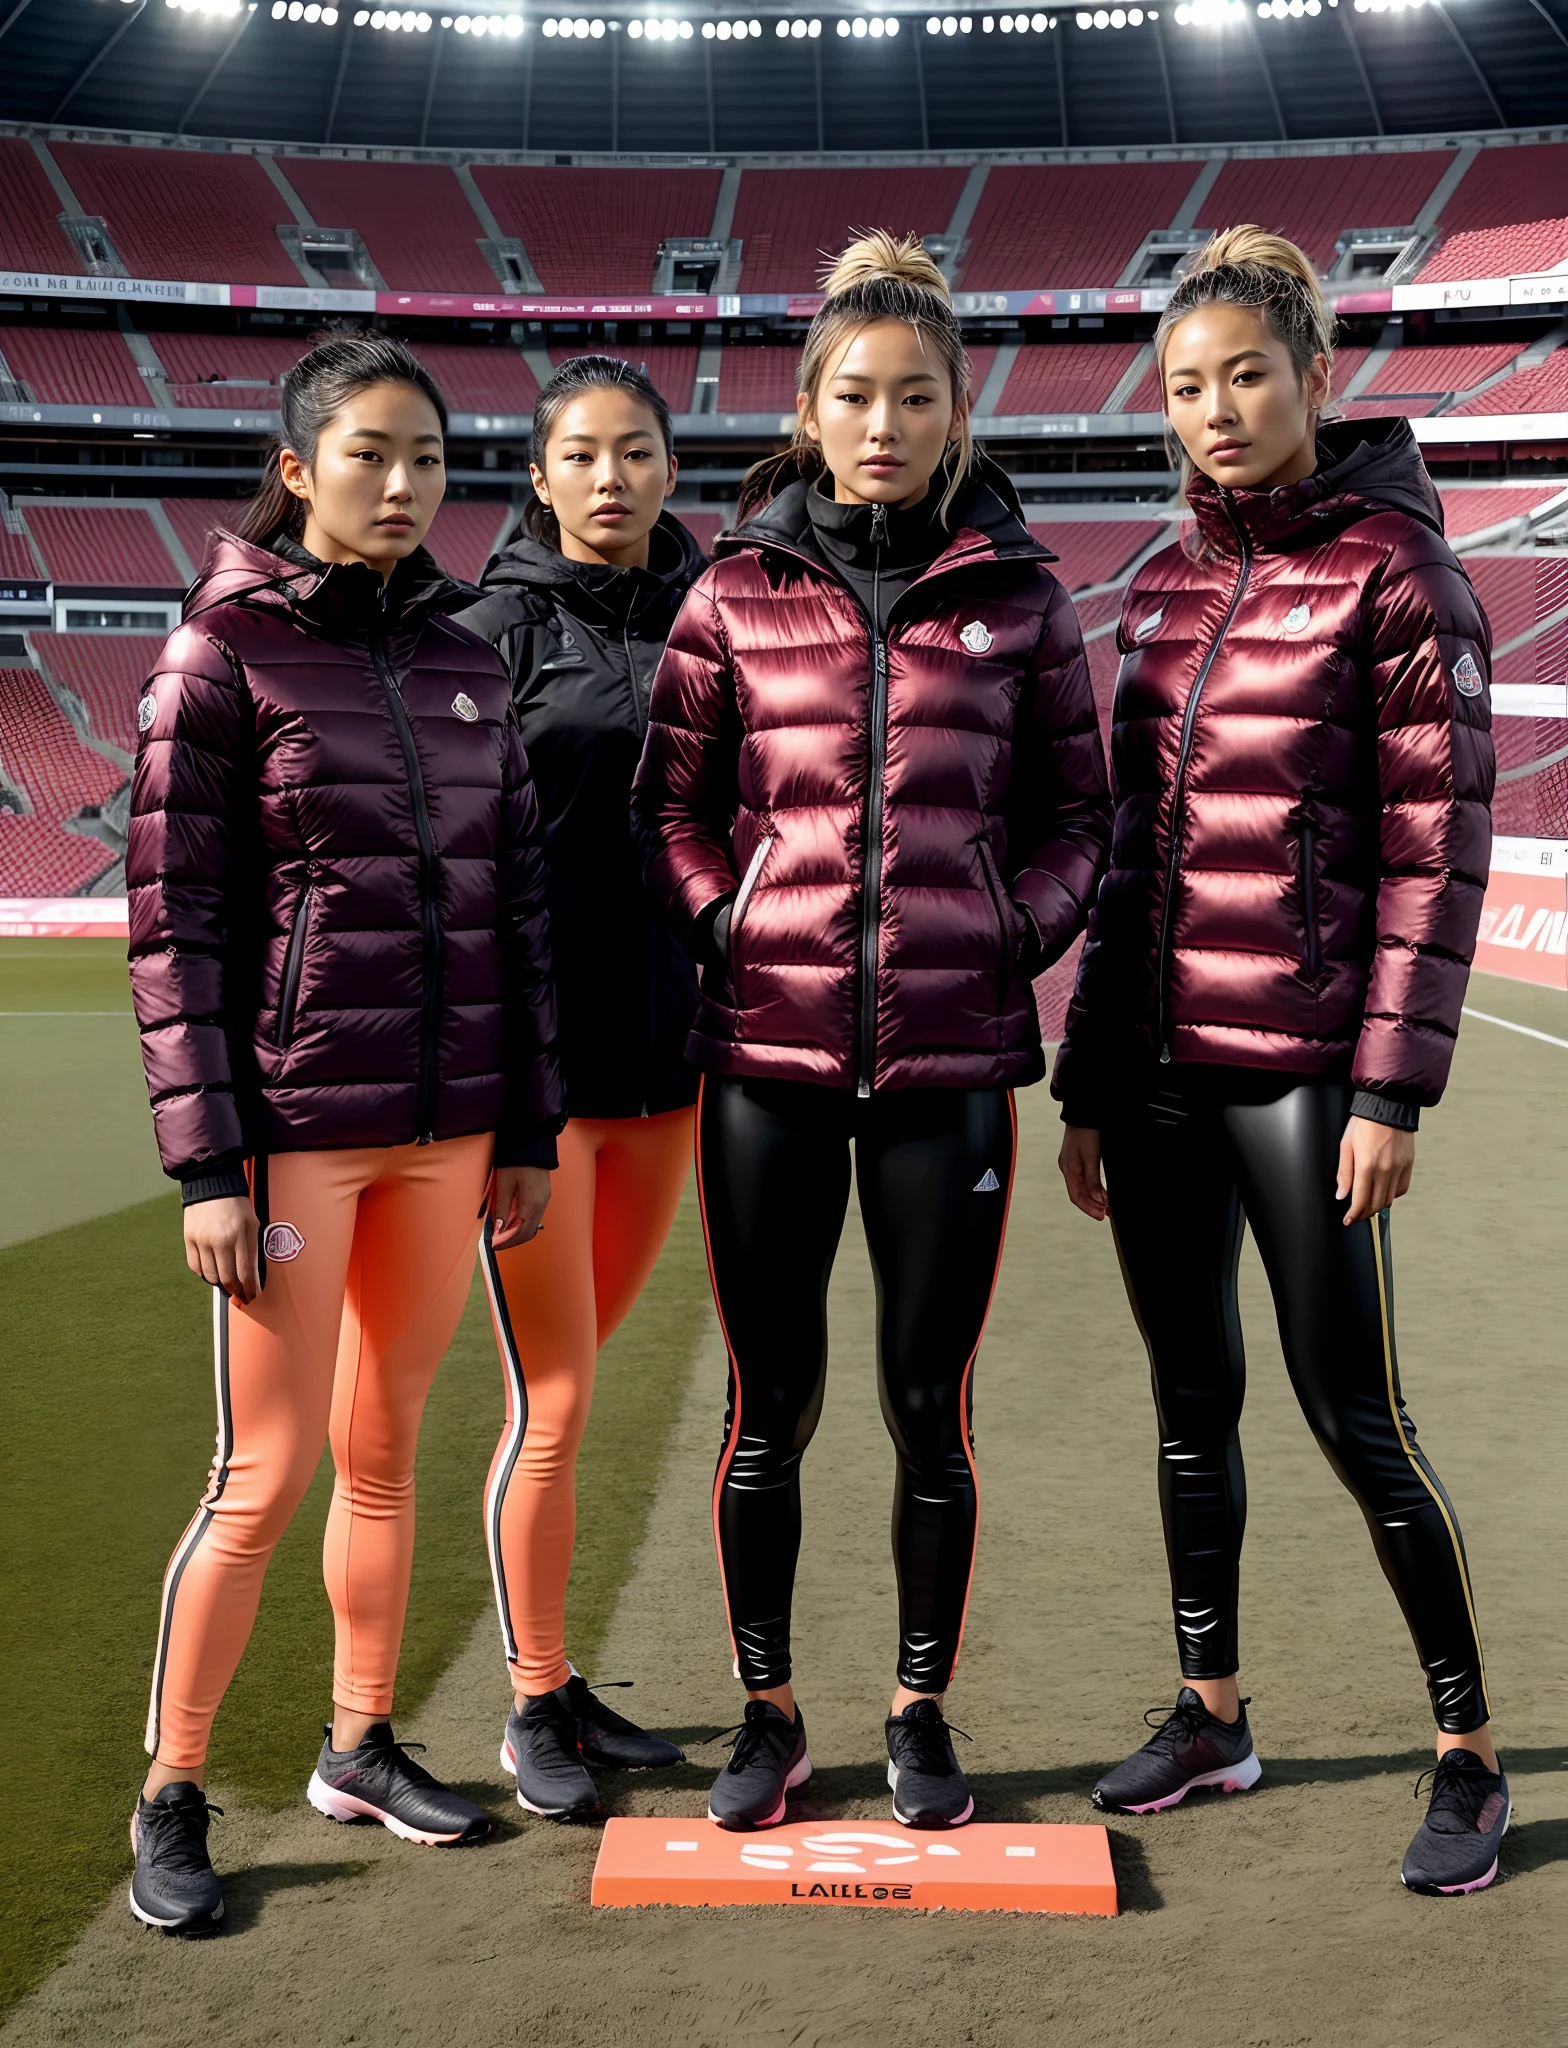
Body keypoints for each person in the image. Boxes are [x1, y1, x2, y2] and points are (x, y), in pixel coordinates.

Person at [632, 232, 1112, 1834]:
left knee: (929, 1410)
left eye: (916, 395)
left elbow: (1081, 819)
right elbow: (673, 812)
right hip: (764, 1067)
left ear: (958, 408)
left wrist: (1009, 933)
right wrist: (727, 922)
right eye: (856, 395)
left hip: (950, 1075)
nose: (885, 422)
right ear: (811, 407)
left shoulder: (1025, 601)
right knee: (770, 1408)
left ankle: (919, 1709)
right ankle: (767, 1714)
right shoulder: (727, 594)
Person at [1053, 228, 1504, 1896]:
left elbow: (1435, 850)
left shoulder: (1401, 572)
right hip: (1162, 1077)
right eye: (1185, 387)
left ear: (1318, 376)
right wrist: (1094, 1082)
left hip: (1308, 1071)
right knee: (1192, 1407)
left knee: (1353, 1416)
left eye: (1247, 373)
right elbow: (1128, 861)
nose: (1217, 409)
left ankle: (1465, 1751)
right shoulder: (1163, 586)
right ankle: (1213, 1711)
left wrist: (1389, 1087)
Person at [125, 335, 563, 1934]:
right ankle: (171, 1789)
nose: (402, 486)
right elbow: (175, 928)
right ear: (299, 469)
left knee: (387, 1459)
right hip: (298, 1135)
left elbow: (516, 909)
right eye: (369, 455)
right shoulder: (217, 657)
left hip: (449, 1135)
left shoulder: (467, 658)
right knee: (267, 1470)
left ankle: (359, 1743)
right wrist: (207, 1164)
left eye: (429, 460)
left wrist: (527, 1123)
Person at [456, 357, 706, 1821]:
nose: (610, 478)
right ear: (539, 477)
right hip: (541, 1106)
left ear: (672, 469)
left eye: (636, 452)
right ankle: (529, 1703)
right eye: (581, 455)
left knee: (579, 1383)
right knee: (548, 1400)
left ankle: (561, 1688)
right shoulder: (488, 632)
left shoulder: (714, 617)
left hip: (673, 1082)